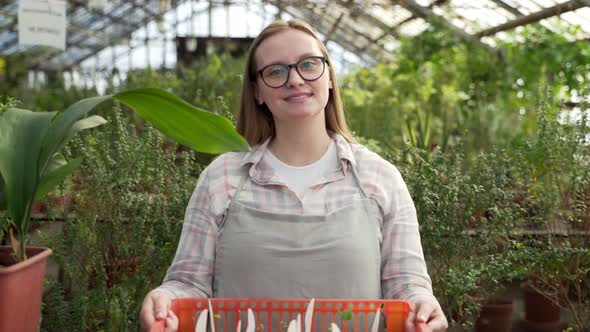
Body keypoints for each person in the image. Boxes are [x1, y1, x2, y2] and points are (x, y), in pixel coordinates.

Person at [140, 19, 448, 332]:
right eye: (276, 71)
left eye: (309, 64)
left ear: (329, 77)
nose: (296, 79)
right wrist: (165, 297)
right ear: (257, 92)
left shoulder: (380, 178)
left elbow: (405, 288)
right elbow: (189, 285)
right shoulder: (222, 178)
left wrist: (421, 305)